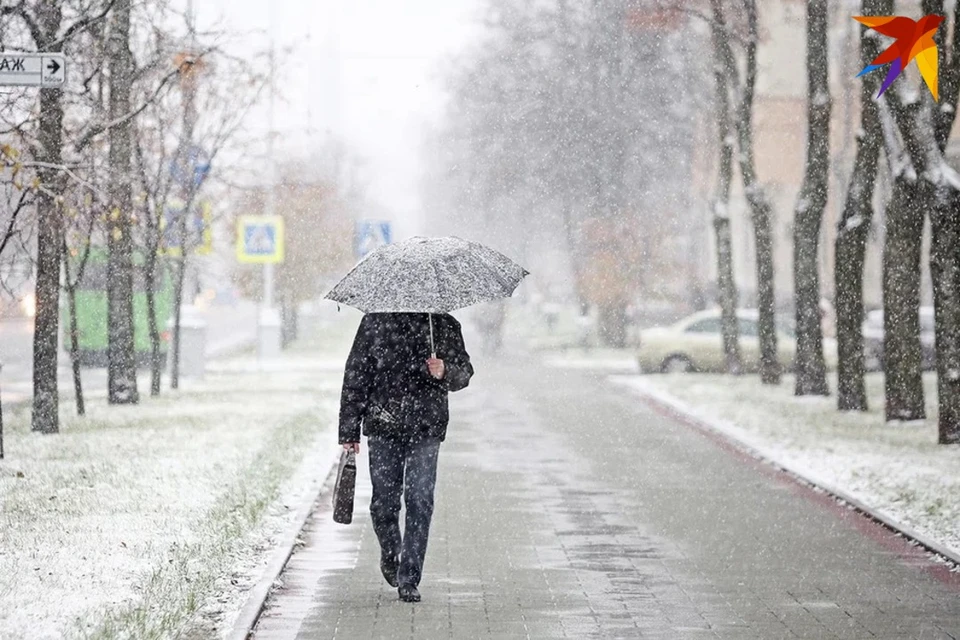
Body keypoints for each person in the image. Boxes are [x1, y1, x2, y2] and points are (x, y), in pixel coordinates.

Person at [338, 312, 473, 603]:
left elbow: (464, 372)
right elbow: (356, 374)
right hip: (383, 424)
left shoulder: (443, 324)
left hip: (426, 428)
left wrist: (444, 370)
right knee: (383, 503)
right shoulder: (374, 322)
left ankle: (409, 577)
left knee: (419, 499)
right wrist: (349, 430)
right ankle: (391, 552)